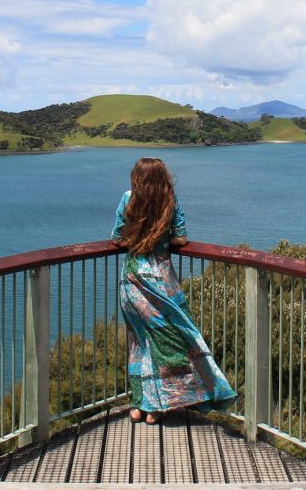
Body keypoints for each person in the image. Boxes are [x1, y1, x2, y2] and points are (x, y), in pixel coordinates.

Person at [113, 157, 236, 424]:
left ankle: (140, 405)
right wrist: (161, 238)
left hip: (132, 278)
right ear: (162, 177)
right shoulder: (170, 201)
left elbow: (118, 238)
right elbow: (181, 238)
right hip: (162, 281)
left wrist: (138, 238)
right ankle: (158, 406)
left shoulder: (128, 199)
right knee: (171, 340)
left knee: (139, 343)